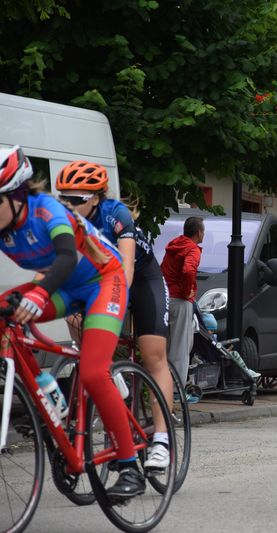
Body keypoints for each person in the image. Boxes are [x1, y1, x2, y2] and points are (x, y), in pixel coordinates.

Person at [0, 146, 144, 498]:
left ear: (17, 196)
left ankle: (129, 466)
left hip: (102, 283)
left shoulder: (48, 211)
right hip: (62, 286)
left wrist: (38, 294)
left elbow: (66, 256)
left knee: (95, 373)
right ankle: (47, 391)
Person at [55, 160, 173, 470]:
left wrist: (108, 307)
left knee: (152, 354)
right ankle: (112, 381)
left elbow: (127, 268)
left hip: (140, 278)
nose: (70, 205)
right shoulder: (63, 220)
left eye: (77, 199)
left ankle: (162, 440)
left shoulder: (115, 214)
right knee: (75, 324)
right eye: (64, 198)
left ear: (96, 197)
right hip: (100, 281)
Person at [161, 216, 204, 392]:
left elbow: (163, 268)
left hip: (166, 299)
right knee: (181, 348)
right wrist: (187, 291)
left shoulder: (174, 245)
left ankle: (161, 385)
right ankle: (175, 390)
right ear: (199, 232)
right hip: (180, 300)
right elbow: (188, 270)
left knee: (166, 346)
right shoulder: (192, 249)